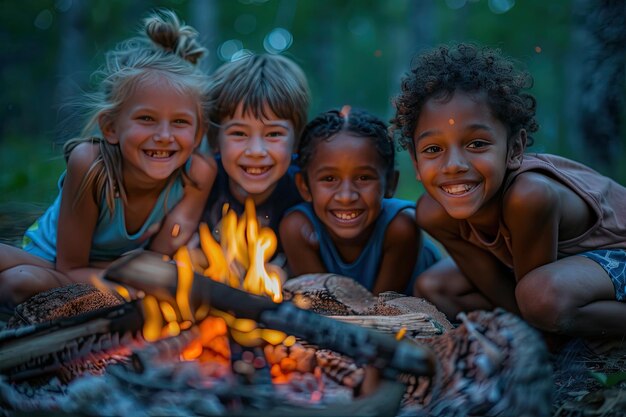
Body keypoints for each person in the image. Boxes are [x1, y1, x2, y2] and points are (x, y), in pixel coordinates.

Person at [392, 42, 626, 339]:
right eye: (433, 149)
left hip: (617, 254)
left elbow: (532, 292)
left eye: (476, 144)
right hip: (559, 280)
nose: (453, 165)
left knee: (540, 297)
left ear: (514, 148)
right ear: (415, 161)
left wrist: (535, 328)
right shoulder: (433, 214)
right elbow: (503, 292)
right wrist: (526, 325)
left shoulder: (528, 196)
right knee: (434, 287)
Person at [0, 10, 216, 308]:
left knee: (19, 282)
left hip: (109, 273)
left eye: (180, 122)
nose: (164, 135)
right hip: (52, 259)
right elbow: (70, 266)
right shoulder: (90, 162)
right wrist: (134, 276)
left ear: (198, 133)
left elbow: (159, 258)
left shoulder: (198, 174)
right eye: (146, 118)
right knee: (19, 276)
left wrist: (143, 274)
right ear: (111, 127)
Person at [279, 107, 441, 295]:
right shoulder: (297, 228)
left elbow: (381, 309)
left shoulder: (401, 228)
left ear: (390, 183)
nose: (346, 196)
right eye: (329, 179)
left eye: (363, 178)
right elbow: (321, 303)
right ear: (304, 186)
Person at [200, 53, 310, 245]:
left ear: (296, 140)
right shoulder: (202, 185)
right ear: (216, 138)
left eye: (274, 134)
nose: (257, 151)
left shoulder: (304, 192)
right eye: (239, 134)